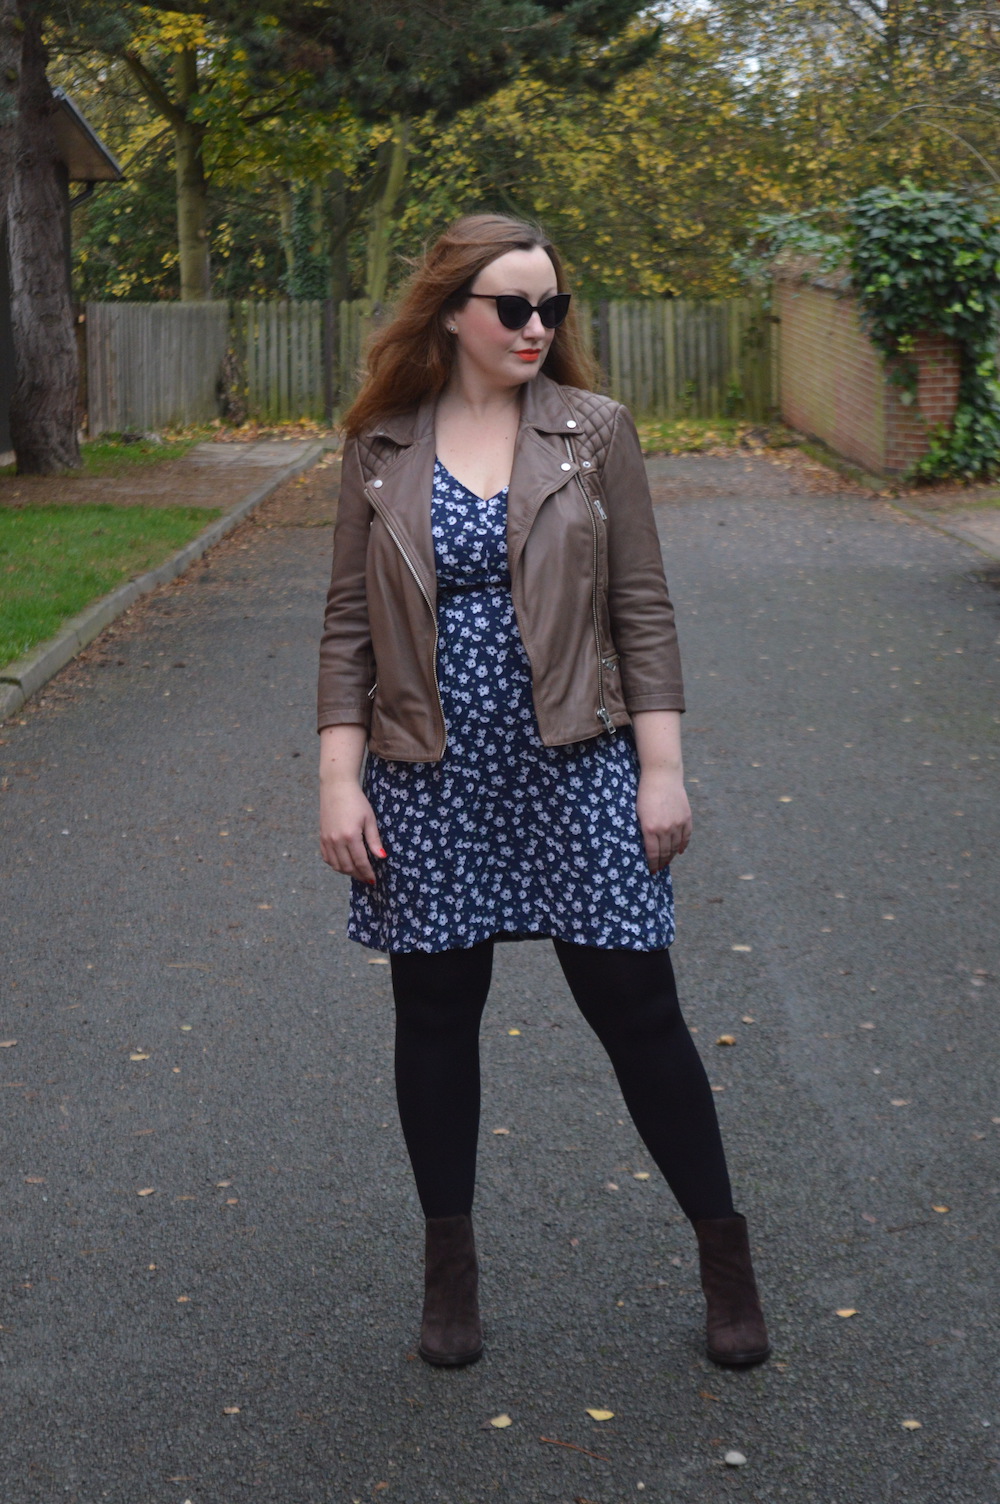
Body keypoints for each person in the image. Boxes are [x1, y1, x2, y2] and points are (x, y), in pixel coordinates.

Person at [317, 214, 769, 1371]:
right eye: (512, 306)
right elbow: (345, 627)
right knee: (434, 1016)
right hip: (427, 771)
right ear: (451, 311)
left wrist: (659, 770)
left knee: (640, 1014)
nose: (536, 327)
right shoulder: (377, 443)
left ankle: (724, 1256)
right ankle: (449, 1273)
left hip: (575, 763)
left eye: (551, 307)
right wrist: (336, 779)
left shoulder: (592, 432)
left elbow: (642, 608)